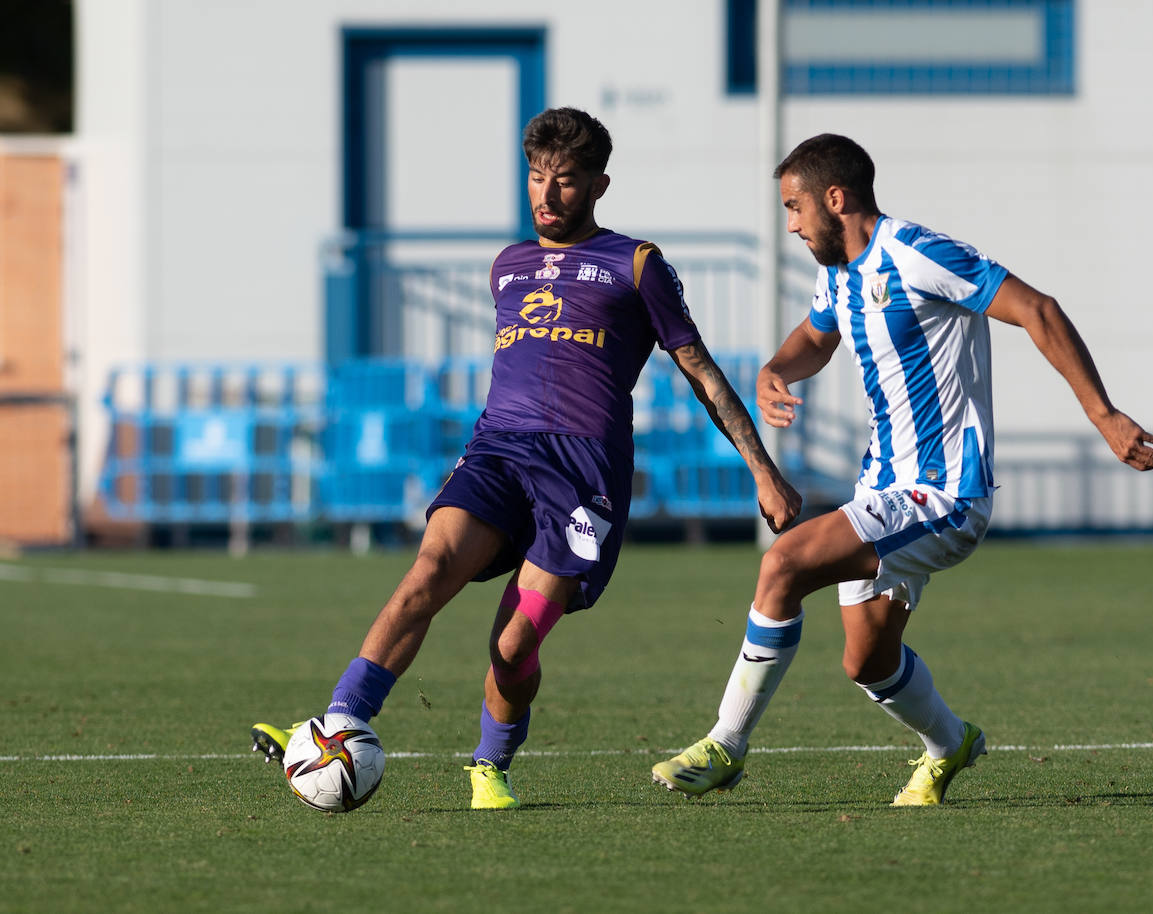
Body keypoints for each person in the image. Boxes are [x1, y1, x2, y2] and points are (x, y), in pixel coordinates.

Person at [251, 107, 801, 809]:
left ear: (599, 185)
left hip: (582, 474)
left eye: (565, 181)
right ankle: (341, 720)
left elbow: (701, 371)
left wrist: (763, 468)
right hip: (499, 450)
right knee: (430, 569)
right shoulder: (507, 266)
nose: (546, 194)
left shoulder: (637, 264)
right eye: (537, 177)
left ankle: (490, 763)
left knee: (512, 648)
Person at [651, 134, 1153, 806]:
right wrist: (776, 368)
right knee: (866, 662)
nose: (790, 224)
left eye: (794, 207)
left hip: (945, 493)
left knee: (783, 563)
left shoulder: (918, 253)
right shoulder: (836, 268)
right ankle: (948, 744)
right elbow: (817, 335)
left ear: (835, 199)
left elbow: (1037, 309)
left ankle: (726, 742)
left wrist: (1104, 416)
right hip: (885, 488)